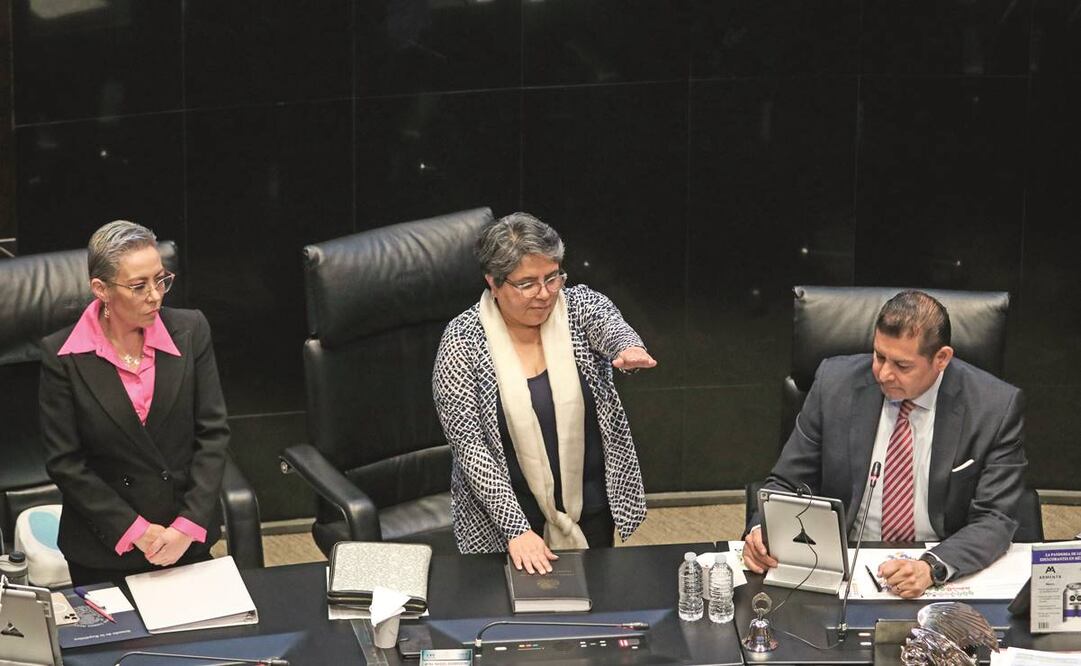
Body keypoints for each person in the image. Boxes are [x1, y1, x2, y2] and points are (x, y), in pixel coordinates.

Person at [743, 290, 1027, 598]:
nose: (884, 374)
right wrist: (761, 531)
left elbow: (996, 517)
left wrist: (932, 566)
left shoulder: (995, 406)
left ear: (941, 358)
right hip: (847, 563)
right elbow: (786, 482)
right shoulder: (834, 383)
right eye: (879, 356)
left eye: (903, 366)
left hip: (938, 567)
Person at [433, 212, 656, 574]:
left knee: (596, 605)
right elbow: (469, 447)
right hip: (505, 516)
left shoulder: (579, 306)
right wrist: (516, 529)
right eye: (527, 284)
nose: (544, 294)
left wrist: (627, 349)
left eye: (552, 278)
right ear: (494, 282)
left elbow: (609, 325)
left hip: (589, 504)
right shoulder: (462, 341)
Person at [39, 220, 229, 586]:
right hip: (105, 546)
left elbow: (213, 433)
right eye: (139, 287)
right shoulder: (63, 355)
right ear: (101, 290)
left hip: (182, 538)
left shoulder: (191, 331)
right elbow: (66, 463)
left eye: (161, 280)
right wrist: (136, 530)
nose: (155, 296)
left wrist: (187, 526)